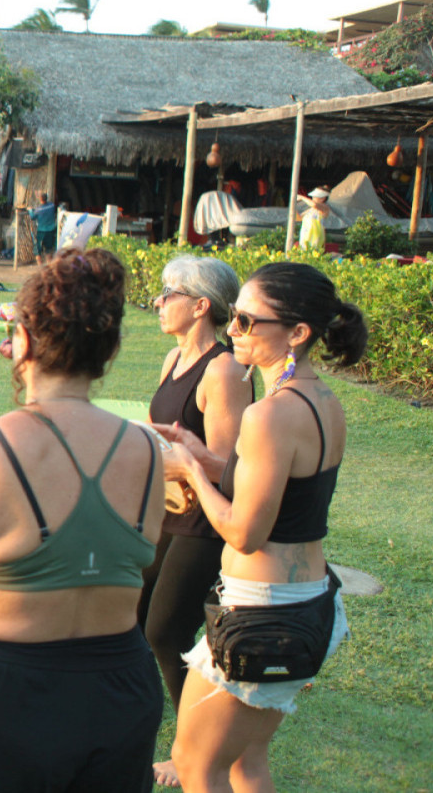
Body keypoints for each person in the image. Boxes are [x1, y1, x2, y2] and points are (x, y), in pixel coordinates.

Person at [0, 248, 165, 792]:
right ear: (109, 349)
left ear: (19, 341)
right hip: (120, 690)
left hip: (4, 689)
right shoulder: (148, 450)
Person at [160, 263, 367, 793]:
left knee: (195, 763)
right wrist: (198, 453)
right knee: (245, 761)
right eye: (235, 317)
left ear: (297, 333)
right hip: (306, 602)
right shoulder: (324, 402)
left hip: (261, 612)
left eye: (249, 322)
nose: (233, 330)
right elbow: (287, 498)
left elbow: (245, 532)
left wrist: (186, 470)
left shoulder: (270, 414)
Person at [140, 256, 252, 788]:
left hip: (204, 521)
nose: (160, 302)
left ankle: (194, 752)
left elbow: (231, 469)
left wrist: (184, 456)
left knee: (165, 630)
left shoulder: (224, 371)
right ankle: (154, 727)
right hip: (163, 513)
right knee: (137, 617)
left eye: (169, 293)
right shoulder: (171, 359)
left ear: (200, 304)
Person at [299, 186, 332, 252]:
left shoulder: (325, 207)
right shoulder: (311, 210)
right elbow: (300, 217)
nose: (313, 197)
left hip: (316, 236)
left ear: (323, 198)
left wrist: (302, 197)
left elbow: (314, 204)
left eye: (316, 196)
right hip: (306, 235)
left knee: (314, 252)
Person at [30, 190, 59, 265]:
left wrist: (30, 210)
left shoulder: (38, 209)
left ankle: (40, 265)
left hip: (41, 231)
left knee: (37, 248)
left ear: (40, 199)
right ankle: (49, 265)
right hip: (51, 230)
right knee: (48, 249)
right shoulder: (52, 206)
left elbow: (32, 217)